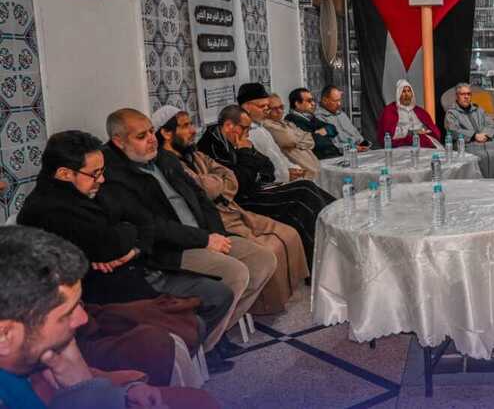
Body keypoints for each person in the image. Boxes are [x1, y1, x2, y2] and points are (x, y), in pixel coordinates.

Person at [17, 131, 212, 383]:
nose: (102, 179)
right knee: (188, 323)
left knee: (197, 313)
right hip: (101, 298)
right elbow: (111, 245)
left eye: (102, 171)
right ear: (65, 174)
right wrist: (125, 232)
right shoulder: (50, 209)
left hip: (130, 274)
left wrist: (131, 245)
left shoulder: (88, 189)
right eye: (95, 173)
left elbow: (143, 220)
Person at [98, 108, 276, 361]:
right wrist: (205, 240)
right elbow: (151, 225)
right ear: (118, 141)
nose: (151, 139)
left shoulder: (164, 158)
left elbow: (201, 198)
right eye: (141, 136)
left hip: (203, 235)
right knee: (235, 273)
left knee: (263, 260)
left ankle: (213, 333)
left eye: (151, 131)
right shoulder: (113, 175)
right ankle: (206, 348)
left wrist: (216, 235)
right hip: (170, 249)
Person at [0, 226, 219, 409]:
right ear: (4, 335)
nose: (82, 318)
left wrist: (123, 391)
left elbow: (81, 379)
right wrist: (87, 391)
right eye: (66, 314)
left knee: (197, 400)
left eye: (79, 305)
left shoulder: (33, 353)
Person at [153, 107, 309, 315]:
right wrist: (218, 185)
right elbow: (206, 188)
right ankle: (265, 304)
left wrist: (218, 187)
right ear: (166, 132)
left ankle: (286, 290)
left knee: (289, 232)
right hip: (218, 216)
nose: (193, 130)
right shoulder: (169, 162)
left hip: (230, 205)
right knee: (270, 247)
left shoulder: (195, 154)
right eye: (186, 126)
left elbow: (231, 177)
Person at [197, 105, 335, 268]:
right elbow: (237, 183)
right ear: (228, 126)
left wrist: (251, 163)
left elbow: (268, 167)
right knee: (302, 196)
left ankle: (335, 232)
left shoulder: (236, 140)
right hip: (237, 202)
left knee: (306, 186)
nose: (248, 133)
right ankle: (320, 260)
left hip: (255, 188)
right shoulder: (211, 148)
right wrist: (245, 153)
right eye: (245, 128)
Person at [238, 83, 306, 184]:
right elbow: (262, 168)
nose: (267, 110)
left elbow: (277, 155)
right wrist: (286, 174)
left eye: (267, 106)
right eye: (262, 106)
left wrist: (292, 167)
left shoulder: (260, 127)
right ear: (246, 107)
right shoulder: (246, 133)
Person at [444, 83, 494, 178]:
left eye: (468, 94)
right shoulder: (451, 113)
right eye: (463, 94)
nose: (466, 97)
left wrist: (486, 135)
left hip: (488, 142)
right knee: (479, 158)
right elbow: (453, 130)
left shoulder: (479, 110)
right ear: (457, 96)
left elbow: (490, 124)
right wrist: (474, 136)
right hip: (468, 144)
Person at [261, 94, 322, 180]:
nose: (280, 111)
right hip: (301, 175)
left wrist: (296, 141)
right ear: (266, 110)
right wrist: (299, 139)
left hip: (314, 171)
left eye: (281, 107)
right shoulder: (267, 125)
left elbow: (310, 140)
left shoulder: (287, 123)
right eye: (274, 108)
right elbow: (289, 140)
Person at [377, 79, 442, 148]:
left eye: (409, 91)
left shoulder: (420, 111)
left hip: (423, 140)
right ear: (398, 94)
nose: (407, 94)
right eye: (403, 91)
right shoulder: (390, 110)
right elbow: (390, 133)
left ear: (412, 94)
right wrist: (411, 132)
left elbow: (431, 128)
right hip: (403, 142)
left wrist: (424, 131)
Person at [286, 87, 342, 159]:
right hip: (317, 159)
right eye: (309, 101)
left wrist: (324, 131)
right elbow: (315, 142)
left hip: (330, 156)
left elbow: (333, 129)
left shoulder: (309, 117)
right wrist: (319, 134)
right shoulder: (291, 120)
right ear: (297, 104)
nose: (313, 104)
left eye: (313, 100)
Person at [314, 85, 371, 153]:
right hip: (342, 154)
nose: (339, 104)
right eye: (335, 101)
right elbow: (328, 146)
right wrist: (353, 148)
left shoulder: (341, 114)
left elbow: (356, 134)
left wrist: (364, 143)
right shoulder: (318, 118)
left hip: (360, 151)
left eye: (340, 100)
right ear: (324, 100)